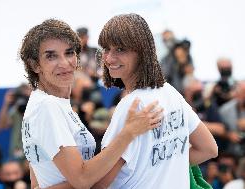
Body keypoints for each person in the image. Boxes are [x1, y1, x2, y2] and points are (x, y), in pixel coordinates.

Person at [19, 18, 163, 189]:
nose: (64, 63)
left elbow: (37, 181)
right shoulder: (47, 106)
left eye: (69, 53)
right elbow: (82, 180)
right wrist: (128, 133)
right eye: (51, 56)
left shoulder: (43, 103)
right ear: (35, 65)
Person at [90, 13, 217, 189]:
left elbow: (100, 183)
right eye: (106, 49)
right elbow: (208, 149)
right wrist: (168, 168)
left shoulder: (131, 106)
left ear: (142, 52)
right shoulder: (170, 92)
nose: (109, 58)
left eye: (120, 49)